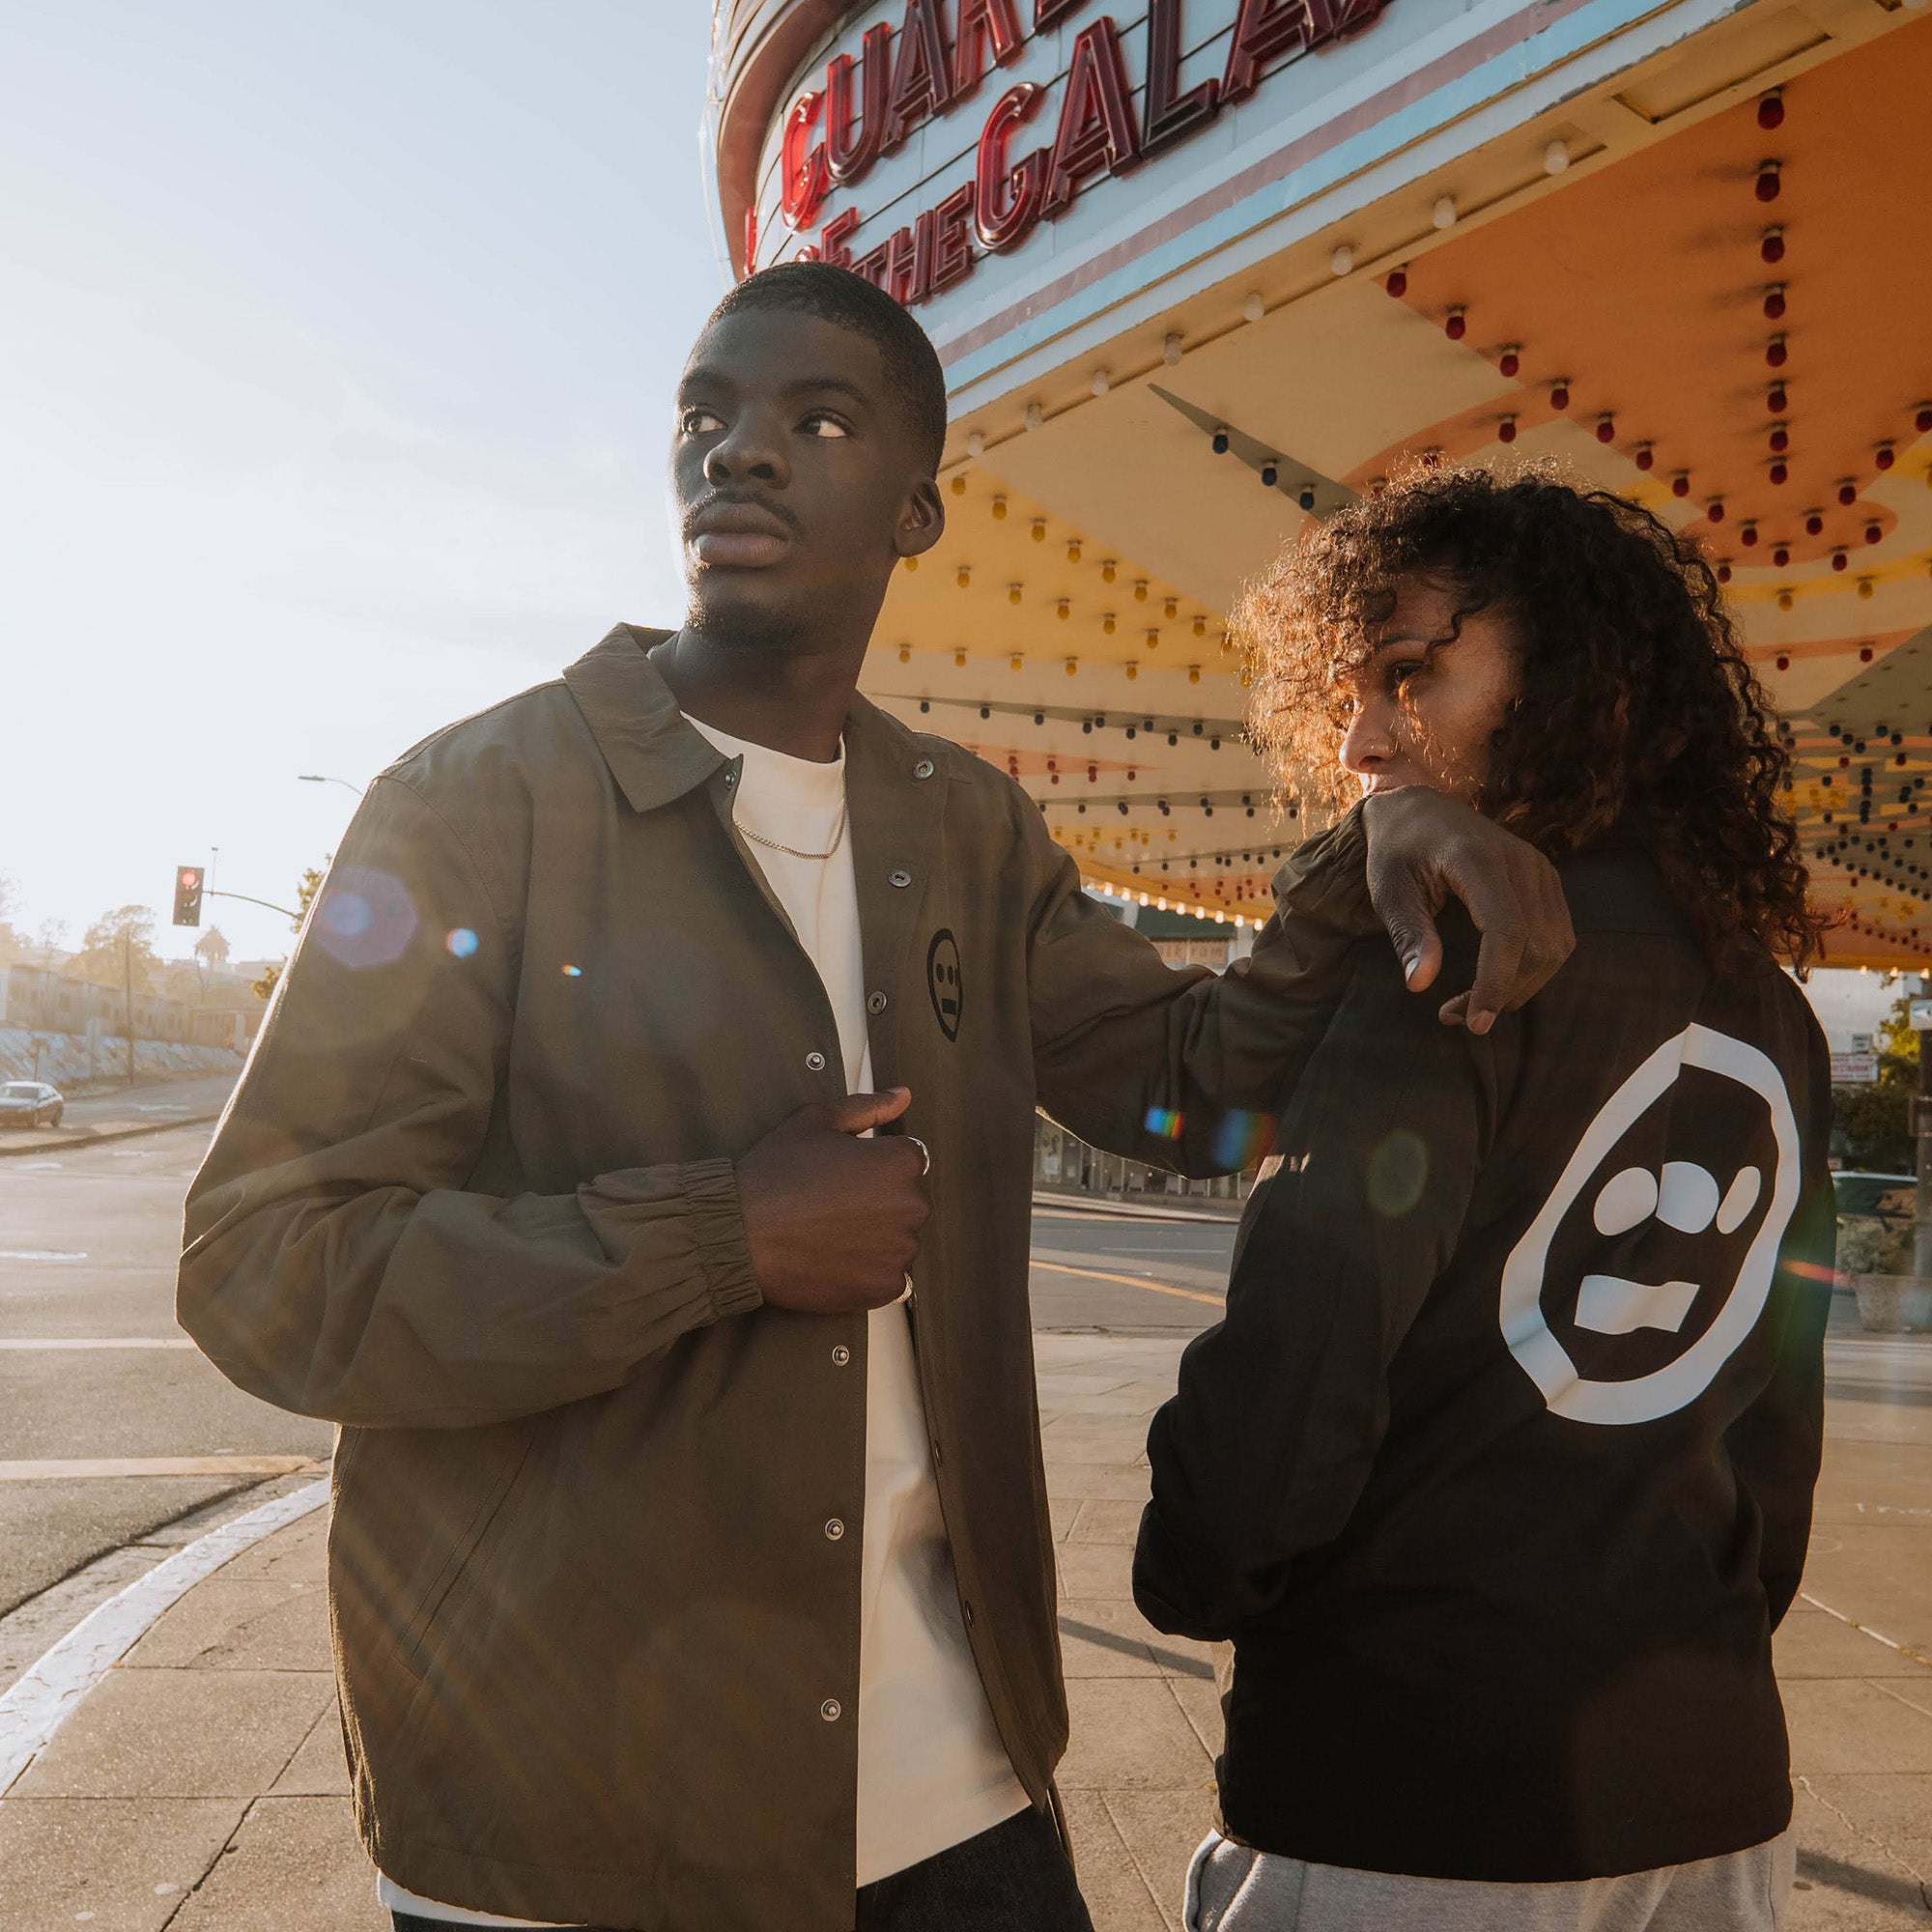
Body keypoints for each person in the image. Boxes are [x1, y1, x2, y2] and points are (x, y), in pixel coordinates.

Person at [178, 268, 1571, 1932]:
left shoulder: (967, 826)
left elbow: (1192, 1083)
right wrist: (720, 1237)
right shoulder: (473, 801)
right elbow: (266, 1266)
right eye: (708, 418)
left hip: (958, 1789)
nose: (740, 456)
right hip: (577, 1818)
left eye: (813, 420)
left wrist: (1375, 840)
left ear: (916, 509)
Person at [1135, 467, 1835, 1932]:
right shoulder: (1772, 1013)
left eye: (1412, 674)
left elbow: (1293, 1386)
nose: (1362, 736)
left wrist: (1194, 1566)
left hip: (1420, 1792)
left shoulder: (1444, 972)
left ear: (1573, 682)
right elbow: (1779, 1414)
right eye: (1348, 691)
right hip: (1712, 1795)